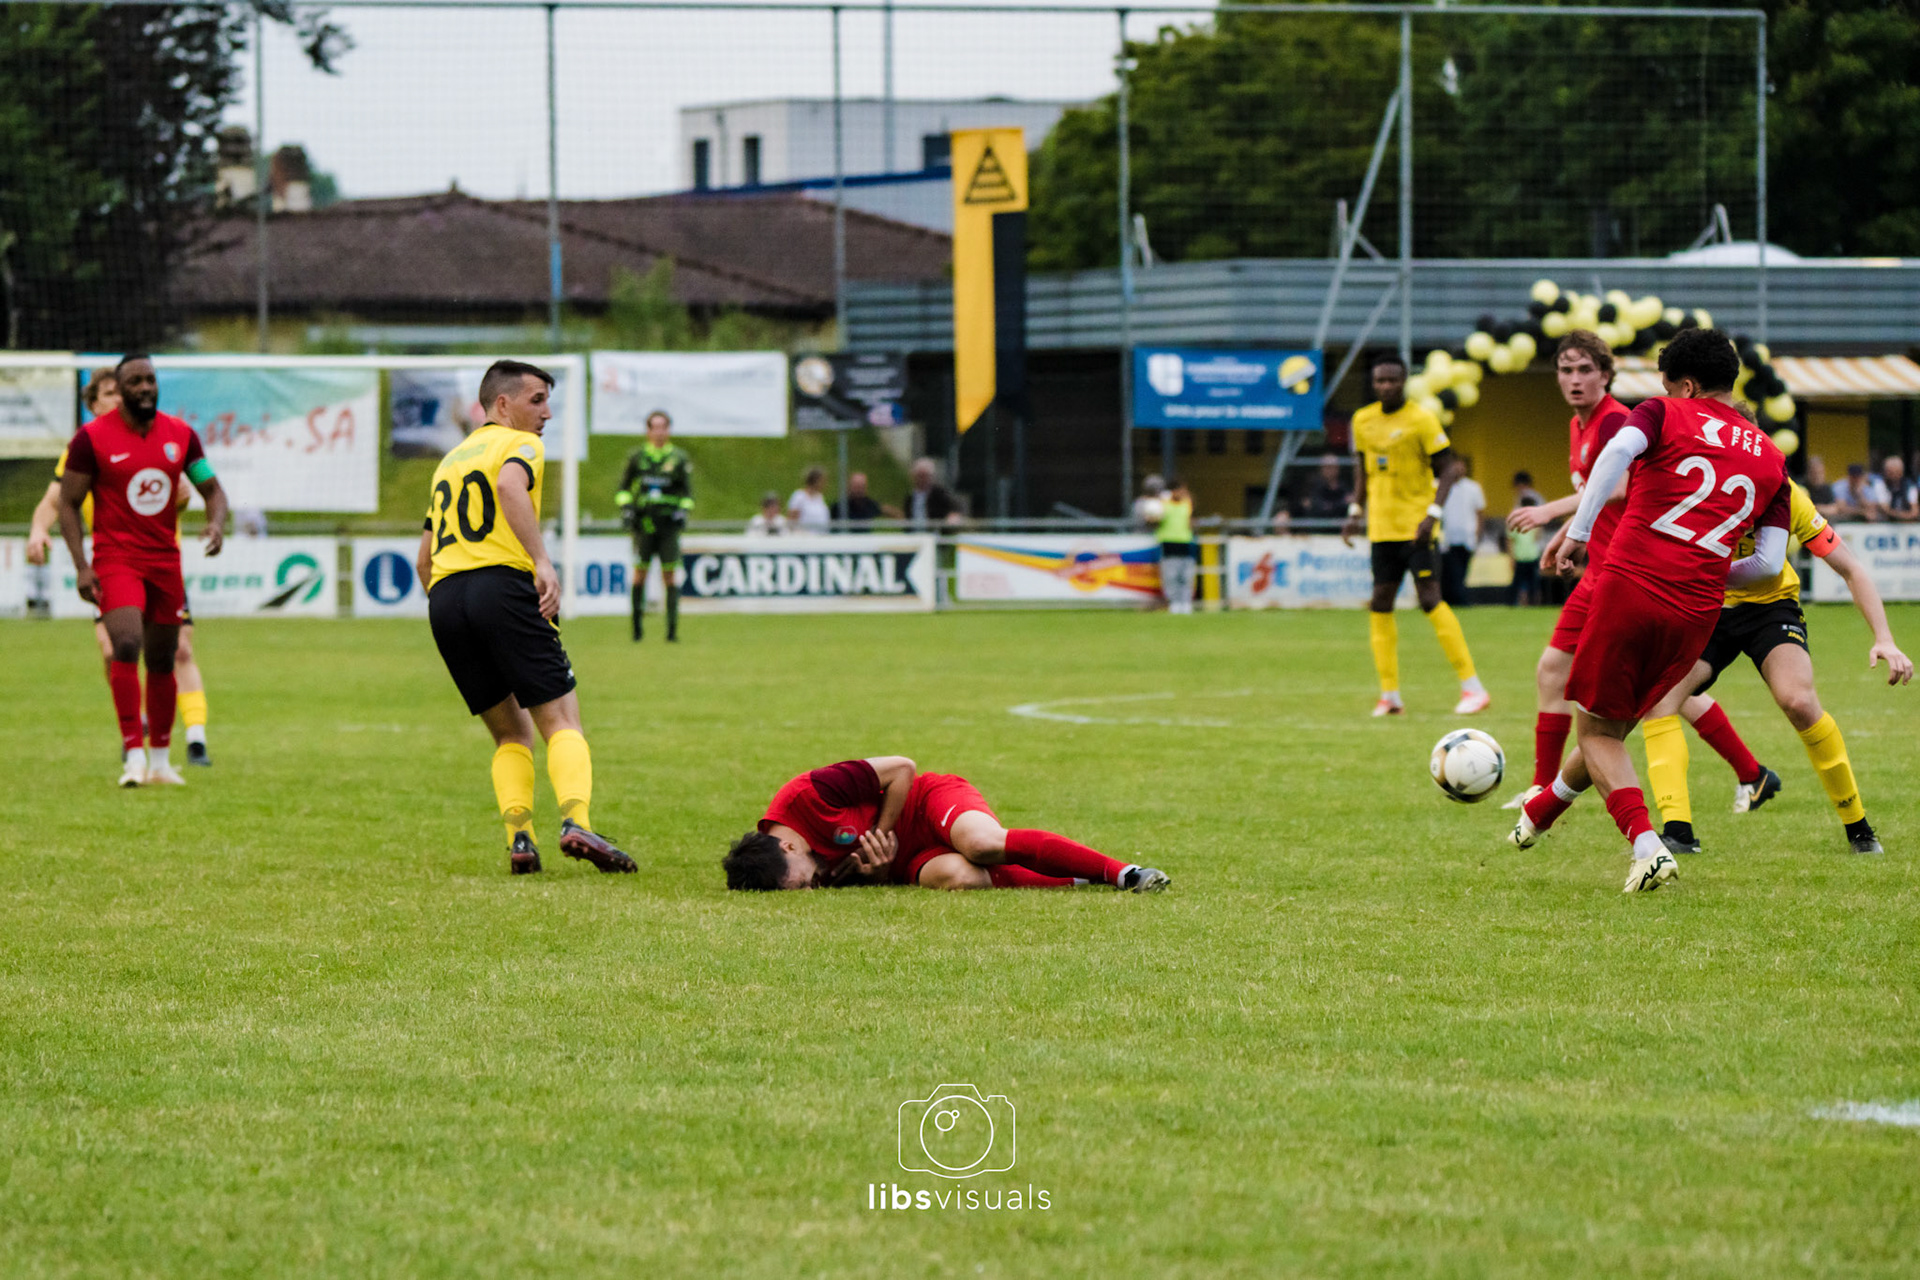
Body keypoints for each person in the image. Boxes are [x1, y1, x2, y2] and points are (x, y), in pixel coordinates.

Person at [1510, 327, 1793, 894]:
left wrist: (1579, 534)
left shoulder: (1663, 412)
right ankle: (1542, 811)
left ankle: (1647, 845)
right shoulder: (1772, 455)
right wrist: (1704, 568)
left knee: (1594, 730)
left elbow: (1617, 454)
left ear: (1684, 385)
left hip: (1633, 585)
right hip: (1698, 610)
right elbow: (1768, 564)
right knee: (1612, 727)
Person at [416, 360, 635, 877]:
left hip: (446, 599)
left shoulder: (448, 461)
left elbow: (423, 560)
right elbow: (510, 490)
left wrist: (457, 608)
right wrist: (541, 561)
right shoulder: (518, 445)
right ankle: (576, 821)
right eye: (537, 400)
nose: (547, 413)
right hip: (502, 587)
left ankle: (520, 838)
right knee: (561, 720)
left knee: (510, 735)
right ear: (502, 404)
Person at [1639, 476, 1912, 854]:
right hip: (1707, 610)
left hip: (1771, 608)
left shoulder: (1783, 492)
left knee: (1798, 701)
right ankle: (1679, 833)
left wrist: (1884, 638)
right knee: (1660, 700)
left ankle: (1859, 828)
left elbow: (1851, 568)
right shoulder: (1694, 482)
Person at [52, 355, 229, 787]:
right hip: (116, 561)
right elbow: (67, 504)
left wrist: (215, 521)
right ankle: (133, 753)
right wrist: (81, 566)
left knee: (165, 658)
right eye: (136, 381)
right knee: (126, 644)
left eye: (151, 380)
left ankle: (162, 761)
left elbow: (212, 487)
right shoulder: (91, 439)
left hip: (165, 561)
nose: (146, 387)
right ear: (122, 388)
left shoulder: (181, 436)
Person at [722, 756, 1170, 892]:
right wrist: (876, 872)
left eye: (802, 885)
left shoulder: (812, 793)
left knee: (979, 844)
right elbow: (871, 872)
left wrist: (884, 830)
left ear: (788, 848)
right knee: (953, 876)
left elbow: (902, 768)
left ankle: (1124, 873)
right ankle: (1076, 877)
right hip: (907, 859)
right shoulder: (799, 864)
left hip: (927, 802)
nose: (812, 889)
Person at [1340, 353, 1488, 716]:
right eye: (1380, 381)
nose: (1386, 386)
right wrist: (1355, 510)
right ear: (1373, 384)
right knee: (1380, 603)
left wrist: (1432, 515)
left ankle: (1473, 687)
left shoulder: (1422, 419)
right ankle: (1389, 695)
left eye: (1393, 380)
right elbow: (1363, 470)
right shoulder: (1362, 420)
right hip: (1382, 528)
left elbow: (1450, 469)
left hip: (1416, 528)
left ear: (1404, 382)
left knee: (1429, 599)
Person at [615, 409, 693, 643]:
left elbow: (687, 493)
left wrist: (683, 510)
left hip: (668, 526)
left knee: (670, 575)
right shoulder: (638, 457)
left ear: (668, 430)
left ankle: (671, 632)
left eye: (663, 427)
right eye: (655, 427)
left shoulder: (678, 459)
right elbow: (623, 490)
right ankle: (637, 631)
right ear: (648, 430)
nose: (659, 432)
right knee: (640, 574)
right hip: (644, 524)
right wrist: (627, 509)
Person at [1438, 455, 1484, 607]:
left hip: (1467, 538)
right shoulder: (1441, 486)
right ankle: (1459, 602)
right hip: (1448, 539)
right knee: (1451, 573)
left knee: (1462, 572)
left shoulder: (1473, 488)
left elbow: (1480, 513)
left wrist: (1477, 535)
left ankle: (1459, 601)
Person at [1155, 478, 1197, 614]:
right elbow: (1154, 519)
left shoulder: (1187, 504)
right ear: (1172, 491)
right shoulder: (1163, 504)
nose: (1183, 492)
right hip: (1169, 544)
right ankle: (1174, 603)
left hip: (1186, 543)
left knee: (1186, 576)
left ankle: (1186, 603)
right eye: (1181, 490)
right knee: (1171, 576)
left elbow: (1191, 521)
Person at [1506, 473, 1543, 606]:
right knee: (1527, 583)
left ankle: (1529, 604)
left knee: (1529, 583)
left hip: (1530, 554)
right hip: (1524, 554)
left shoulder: (1530, 499)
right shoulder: (1520, 500)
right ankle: (1524, 603)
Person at [901, 457, 962, 529]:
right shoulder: (910, 497)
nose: (922, 479)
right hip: (914, 535)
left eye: (925, 476)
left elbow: (955, 507)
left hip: (934, 533)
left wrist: (953, 516)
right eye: (920, 476)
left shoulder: (939, 494)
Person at [1295, 456, 1350, 524]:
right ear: (1321, 469)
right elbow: (1313, 506)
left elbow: (1347, 505)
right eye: (1326, 467)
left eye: (1332, 467)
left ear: (1338, 468)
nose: (1330, 471)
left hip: (1341, 527)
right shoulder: (1313, 487)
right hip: (1317, 527)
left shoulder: (1344, 487)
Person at [786, 466, 832, 533]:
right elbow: (792, 521)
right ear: (816, 481)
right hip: (804, 538)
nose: (824, 484)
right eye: (822, 481)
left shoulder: (820, 497)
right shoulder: (799, 496)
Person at [1882, 456, 1917, 520]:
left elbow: (1914, 511)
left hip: (1907, 524)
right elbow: (1884, 509)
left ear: (1901, 472)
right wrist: (1904, 515)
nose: (1889, 474)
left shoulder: (1910, 486)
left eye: (1893, 472)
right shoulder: (1882, 485)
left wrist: (1903, 516)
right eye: (1888, 472)